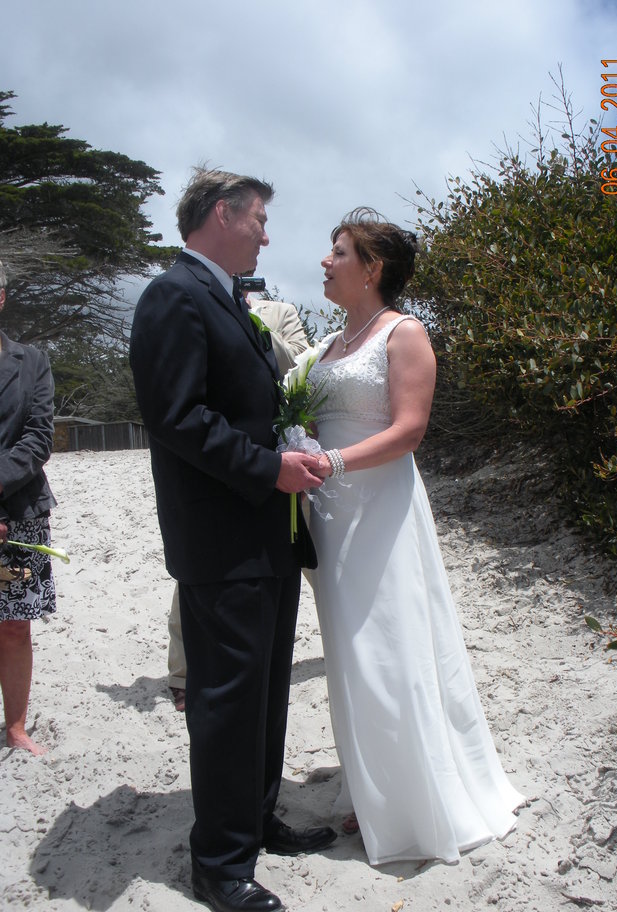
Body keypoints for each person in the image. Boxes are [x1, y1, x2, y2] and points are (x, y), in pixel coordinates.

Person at [129, 168, 335, 912]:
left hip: (266, 533)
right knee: (226, 703)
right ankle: (218, 865)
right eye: (259, 221)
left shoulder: (227, 298)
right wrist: (269, 468)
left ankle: (255, 820)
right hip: (222, 539)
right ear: (223, 213)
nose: (266, 237)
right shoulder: (174, 295)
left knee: (266, 693)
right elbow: (176, 417)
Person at [306, 208, 525, 865]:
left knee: (390, 648)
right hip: (330, 517)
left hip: (380, 511)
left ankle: (413, 801)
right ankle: (373, 790)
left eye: (339, 251)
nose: (325, 262)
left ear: (372, 268)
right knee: (350, 654)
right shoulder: (332, 342)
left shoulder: (404, 333)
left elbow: (409, 430)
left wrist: (333, 462)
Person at [166, 293, 310, 713]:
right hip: (232, 458)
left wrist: (252, 321)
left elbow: (297, 362)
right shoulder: (200, 304)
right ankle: (183, 672)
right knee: (198, 575)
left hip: (291, 451)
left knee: (315, 564)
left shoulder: (280, 312)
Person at [0, 258, 58, 757]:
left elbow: (39, 438)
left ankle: (15, 726)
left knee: (15, 625)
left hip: (20, 512)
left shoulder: (31, 361)